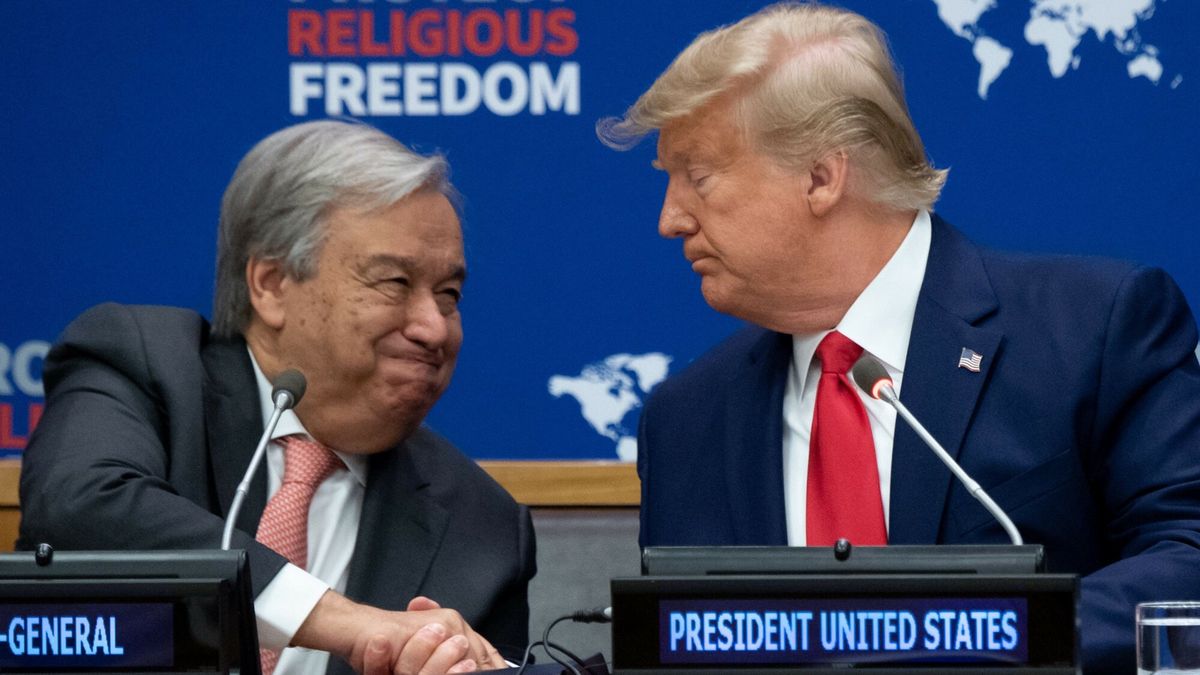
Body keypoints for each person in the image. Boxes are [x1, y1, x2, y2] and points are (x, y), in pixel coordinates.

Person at [597, 3, 1200, 673]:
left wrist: (980, 635)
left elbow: (1187, 560)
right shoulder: (686, 420)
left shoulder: (1093, 330)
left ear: (822, 176)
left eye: (699, 178)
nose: (670, 219)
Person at [18, 120, 536, 675]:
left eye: (449, 294)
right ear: (270, 284)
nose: (433, 328)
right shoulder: (145, 366)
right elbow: (81, 504)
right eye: (395, 283)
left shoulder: (483, 527)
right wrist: (349, 622)